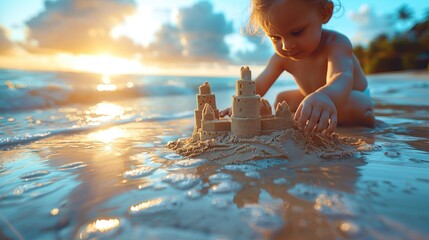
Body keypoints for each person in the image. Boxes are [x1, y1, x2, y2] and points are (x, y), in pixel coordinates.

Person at [220, 0, 375, 134]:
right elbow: (259, 85)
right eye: (275, 38)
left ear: (325, 13)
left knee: (357, 105)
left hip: (347, 95)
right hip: (311, 97)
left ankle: (360, 118)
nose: (286, 45)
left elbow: (341, 76)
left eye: (296, 32)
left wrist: (325, 96)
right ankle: (313, 118)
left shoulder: (336, 43)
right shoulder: (281, 58)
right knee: (282, 100)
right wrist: (240, 105)